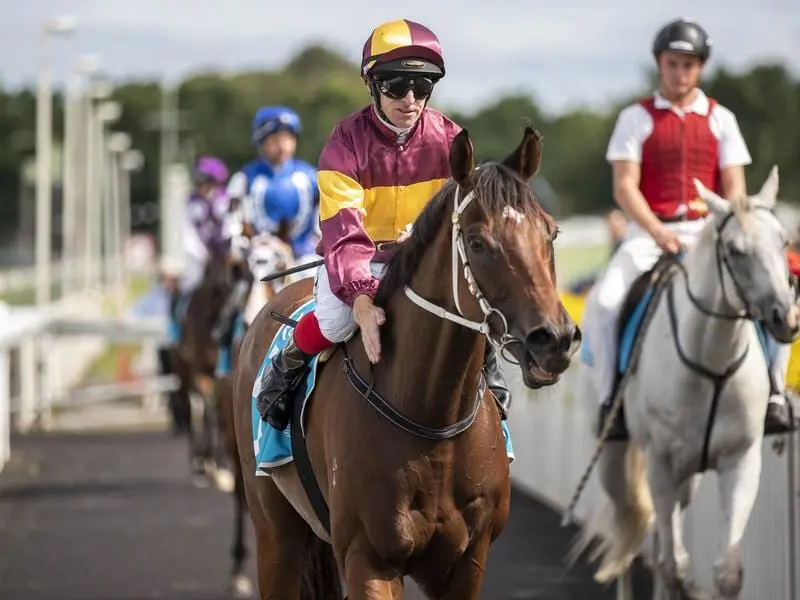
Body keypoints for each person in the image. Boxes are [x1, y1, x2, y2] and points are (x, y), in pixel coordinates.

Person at [255, 18, 512, 432]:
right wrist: (360, 298)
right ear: (370, 83)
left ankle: (490, 376)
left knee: (469, 314)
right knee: (336, 322)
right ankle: (287, 365)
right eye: (395, 85)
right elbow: (343, 232)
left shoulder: (450, 137)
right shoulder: (345, 142)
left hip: (423, 261)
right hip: (361, 261)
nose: (410, 99)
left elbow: (464, 215)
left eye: (423, 87)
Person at [581, 17, 795, 440]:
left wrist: (723, 226)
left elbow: (734, 187)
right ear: (660, 64)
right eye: (673, 64)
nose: (681, 73)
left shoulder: (722, 119)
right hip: (648, 231)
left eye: (689, 65)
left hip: (710, 230)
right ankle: (612, 401)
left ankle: (774, 394)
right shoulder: (634, 118)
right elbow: (625, 187)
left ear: (700, 68)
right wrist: (658, 232)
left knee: (776, 291)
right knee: (604, 303)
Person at [211, 106, 320, 347]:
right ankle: (228, 347)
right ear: (262, 142)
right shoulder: (245, 178)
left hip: (304, 255)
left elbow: (322, 220)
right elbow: (233, 221)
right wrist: (240, 247)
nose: (282, 145)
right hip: (259, 255)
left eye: (287, 138)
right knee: (242, 289)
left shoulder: (311, 177)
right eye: (275, 139)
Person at [167, 155, 231, 343]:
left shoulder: (225, 200)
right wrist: (201, 253)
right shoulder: (191, 203)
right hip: (198, 257)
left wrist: (226, 249)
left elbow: (230, 225)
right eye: (201, 182)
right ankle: (176, 327)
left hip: (224, 256)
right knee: (186, 285)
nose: (203, 187)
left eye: (208, 182)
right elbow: (187, 232)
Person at [568, 208, 629, 295]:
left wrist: (581, 283)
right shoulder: (616, 244)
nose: (612, 227)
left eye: (617, 222)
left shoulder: (625, 245)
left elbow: (608, 271)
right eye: (609, 224)